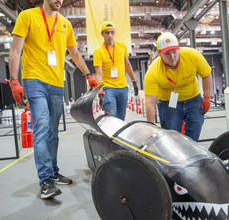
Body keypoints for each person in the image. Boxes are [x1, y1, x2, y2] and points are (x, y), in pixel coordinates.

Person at [8, 0, 98, 199]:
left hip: (57, 83)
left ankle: (53, 170)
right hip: (34, 80)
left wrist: (88, 74)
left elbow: (74, 53)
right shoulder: (28, 16)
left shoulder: (65, 24)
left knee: (53, 132)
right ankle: (45, 180)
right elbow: (15, 50)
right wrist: (14, 80)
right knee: (41, 126)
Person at [144, 32, 212, 142]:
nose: (172, 57)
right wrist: (150, 127)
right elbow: (150, 103)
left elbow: (206, 75)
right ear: (159, 52)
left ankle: (190, 153)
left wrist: (207, 97)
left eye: (175, 52)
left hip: (193, 98)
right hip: (168, 102)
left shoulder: (193, 56)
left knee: (195, 128)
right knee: (171, 136)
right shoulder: (153, 72)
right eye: (167, 54)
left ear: (178, 49)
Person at [93, 22, 138, 121]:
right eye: (107, 33)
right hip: (109, 88)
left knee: (121, 119)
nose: (110, 35)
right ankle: (110, 136)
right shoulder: (98, 51)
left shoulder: (122, 46)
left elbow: (127, 65)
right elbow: (99, 73)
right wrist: (100, 92)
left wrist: (134, 82)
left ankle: (117, 136)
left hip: (123, 88)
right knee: (111, 116)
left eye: (112, 32)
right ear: (102, 34)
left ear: (115, 33)